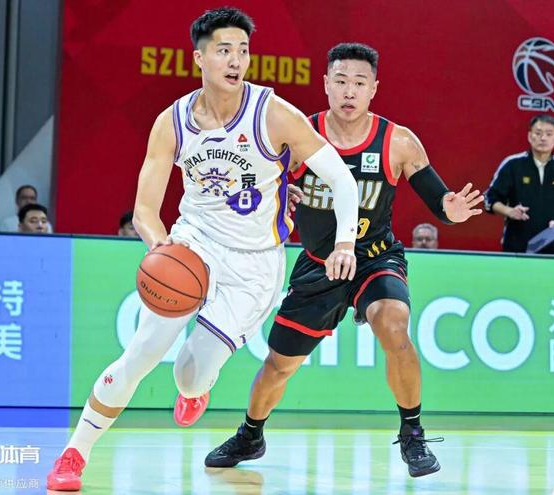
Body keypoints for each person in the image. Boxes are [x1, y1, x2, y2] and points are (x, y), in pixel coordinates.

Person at [46, 8, 360, 491]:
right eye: (224, 50)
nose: (236, 61)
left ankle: (195, 390)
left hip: (254, 264)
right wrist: (162, 249)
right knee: (140, 354)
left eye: (243, 51)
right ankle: (73, 454)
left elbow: (342, 179)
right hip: (193, 244)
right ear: (199, 58)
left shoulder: (273, 113)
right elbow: (144, 210)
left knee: (190, 375)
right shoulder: (171, 122)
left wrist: (345, 243)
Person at [205, 42, 483, 478]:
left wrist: (452, 210)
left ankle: (412, 432)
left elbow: (439, 200)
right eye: (340, 81)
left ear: (374, 88)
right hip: (319, 263)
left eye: (359, 83)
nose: (349, 91)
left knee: (394, 324)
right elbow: (262, 187)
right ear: (325, 85)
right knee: (279, 365)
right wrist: (281, 196)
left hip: (375, 258)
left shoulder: (398, 142)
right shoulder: (299, 134)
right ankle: (251, 434)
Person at [484, 114, 554, 252]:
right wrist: (509, 211)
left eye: (549, 134)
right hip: (517, 246)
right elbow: (489, 199)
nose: (543, 138)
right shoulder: (513, 165)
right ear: (529, 136)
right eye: (538, 133)